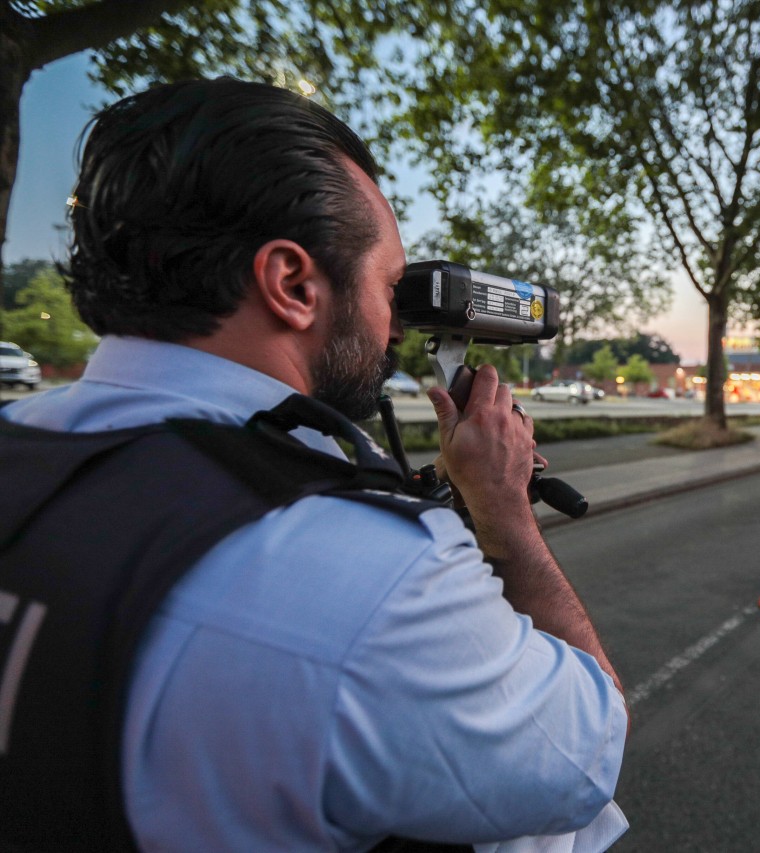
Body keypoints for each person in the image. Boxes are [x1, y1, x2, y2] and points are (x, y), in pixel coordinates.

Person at [0, 79, 626, 851]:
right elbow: (587, 753)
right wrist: (506, 515)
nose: (394, 321)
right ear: (294, 284)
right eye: (388, 287)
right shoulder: (374, 577)